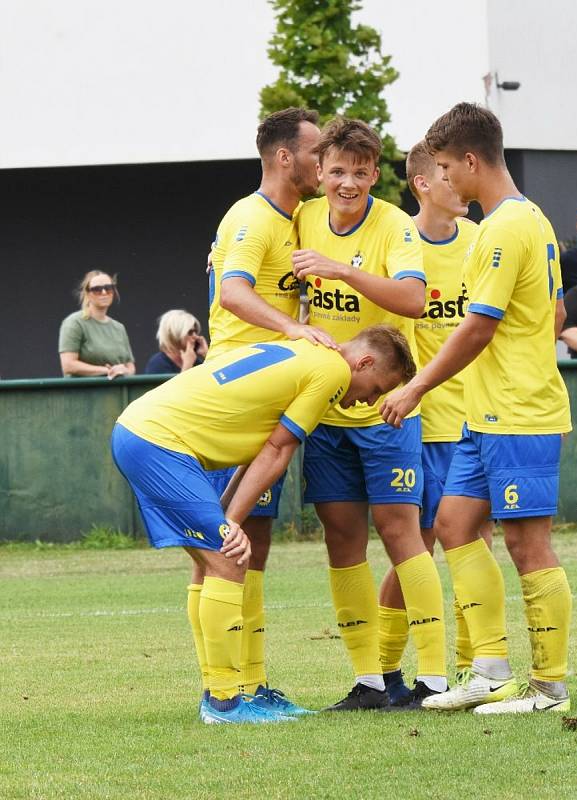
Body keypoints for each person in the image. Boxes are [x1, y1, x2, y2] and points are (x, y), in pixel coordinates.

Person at [111, 325, 416, 724]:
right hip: (160, 443)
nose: (370, 402)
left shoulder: (303, 354)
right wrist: (231, 525)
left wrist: (226, 518)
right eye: (377, 388)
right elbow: (278, 450)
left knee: (214, 561)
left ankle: (223, 694)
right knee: (230, 558)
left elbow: (254, 451)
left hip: (143, 433)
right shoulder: (334, 372)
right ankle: (223, 702)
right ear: (364, 362)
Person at [381, 102, 573, 715]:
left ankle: (548, 686)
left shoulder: (502, 228)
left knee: (527, 545)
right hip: (484, 415)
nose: (444, 179)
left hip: (518, 413)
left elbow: (476, 329)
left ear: (470, 159)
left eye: (445, 166)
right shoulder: (532, 219)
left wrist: (413, 388)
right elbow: (557, 313)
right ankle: (488, 670)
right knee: (457, 526)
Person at [292, 117, 448, 711]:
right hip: (326, 411)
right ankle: (368, 681)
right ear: (320, 172)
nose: (348, 183)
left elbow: (414, 298)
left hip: (389, 411)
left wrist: (342, 270)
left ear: (374, 174)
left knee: (401, 533)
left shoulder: (393, 226)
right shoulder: (303, 218)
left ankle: (432, 677)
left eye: (360, 172)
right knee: (341, 539)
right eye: (337, 171)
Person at [205, 107, 337, 717]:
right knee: (224, 544)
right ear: (284, 157)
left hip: (265, 389)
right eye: (315, 153)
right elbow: (232, 292)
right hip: (236, 394)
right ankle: (225, 690)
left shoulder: (295, 220)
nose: (323, 163)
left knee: (251, 542)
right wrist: (294, 330)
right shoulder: (250, 215)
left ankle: (249, 683)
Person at [376, 140, 494, 706]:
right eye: (447, 175)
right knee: (413, 552)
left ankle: (478, 671)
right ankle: (380, 672)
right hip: (417, 424)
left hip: (475, 420)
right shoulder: (399, 243)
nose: (460, 184)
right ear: (424, 183)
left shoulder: (480, 241)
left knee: (477, 545)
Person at [59, 271, 135, 378]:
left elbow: (130, 366)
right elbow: (68, 365)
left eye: (108, 288)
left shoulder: (119, 328)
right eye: (97, 290)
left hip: (117, 391)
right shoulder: (74, 322)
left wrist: (124, 370)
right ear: (88, 294)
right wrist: (107, 370)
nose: (104, 292)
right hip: (85, 392)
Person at [144, 309, 208, 374]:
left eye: (196, 332)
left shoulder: (194, 361)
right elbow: (179, 384)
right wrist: (187, 366)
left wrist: (207, 354)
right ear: (175, 334)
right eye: (190, 332)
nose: (196, 336)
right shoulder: (158, 364)